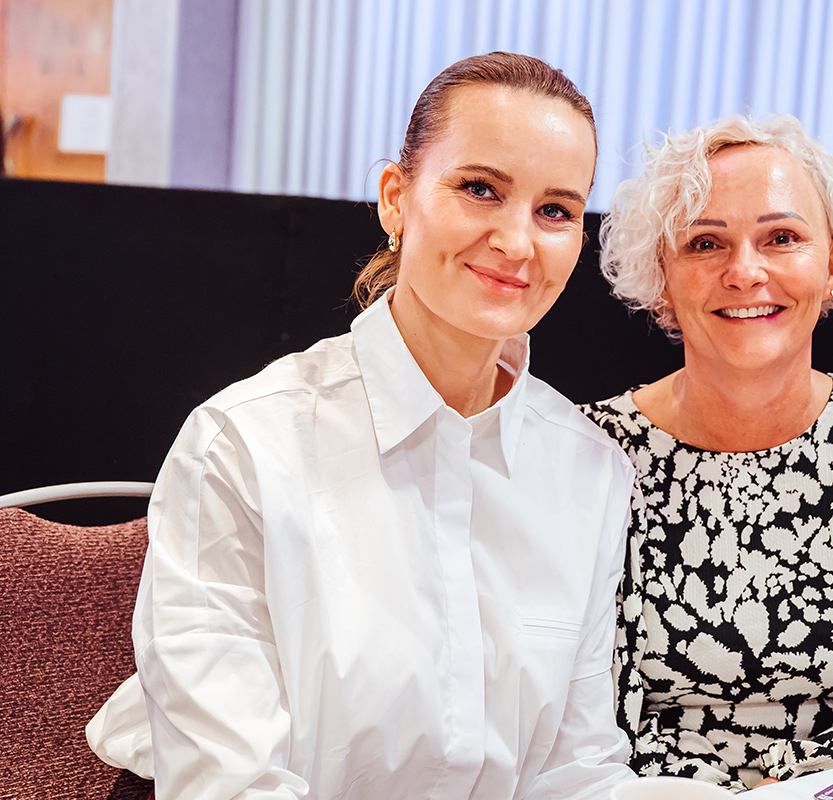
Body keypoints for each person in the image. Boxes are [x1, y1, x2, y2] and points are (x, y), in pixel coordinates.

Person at [86, 52, 636, 799]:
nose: (517, 242)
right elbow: (230, 784)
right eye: (480, 188)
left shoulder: (589, 471)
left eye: (556, 211)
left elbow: (576, 774)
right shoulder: (242, 446)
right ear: (395, 199)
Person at [582, 113, 833, 791]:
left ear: (832, 263)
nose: (745, 272)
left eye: (781, 238)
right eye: (705, 243)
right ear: (661, 276)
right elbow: (581, 722)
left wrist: (789, 791)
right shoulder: (591, 455)